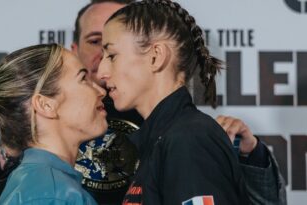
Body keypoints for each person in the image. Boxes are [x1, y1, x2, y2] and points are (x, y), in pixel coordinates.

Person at [0, 0, 285, 205]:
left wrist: (250, 159)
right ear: (75, 51)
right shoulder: (44, 138)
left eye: (112, 49)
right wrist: (13, 147)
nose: (102, 65)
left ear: (153, 55)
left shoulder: (180, 132)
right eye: (97, 44)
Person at [96, 0, 285, 204]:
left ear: (155, 57)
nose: (101, 72)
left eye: (112, 55)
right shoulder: (165, 138)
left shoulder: (187, 139)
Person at [0, 43, 107, 204]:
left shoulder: (40, 184)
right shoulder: (54, 194)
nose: (101, 91)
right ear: (45, 105)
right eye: (83, 79)